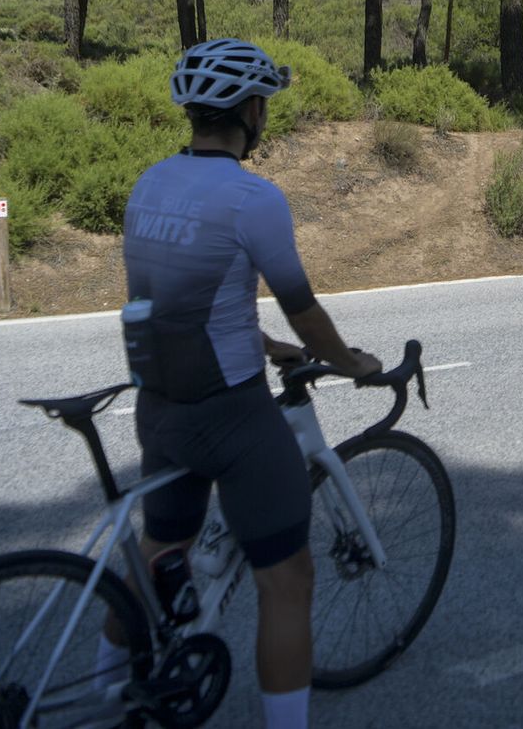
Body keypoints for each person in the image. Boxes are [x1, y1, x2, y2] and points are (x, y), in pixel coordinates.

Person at [110, 38, 380, 729]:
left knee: (159, 547)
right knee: (286, 578)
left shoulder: (149, 183)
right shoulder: (252, 197)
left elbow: (173, 308)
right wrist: (353, 362)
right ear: (251, 110)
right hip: (229, 416)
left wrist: (264, 345)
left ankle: (114, 688)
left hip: (159, 408)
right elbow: (305, 308)